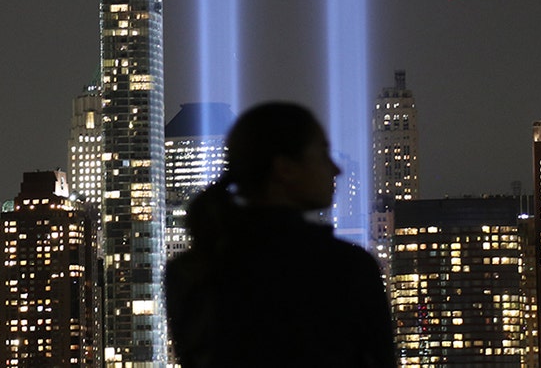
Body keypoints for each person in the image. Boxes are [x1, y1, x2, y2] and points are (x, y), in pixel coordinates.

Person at [165, 102, 396, 368]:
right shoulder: (346, 267)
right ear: (284, 168)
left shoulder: (189, 272)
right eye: (322, 154)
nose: (336, 169)